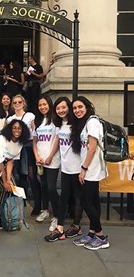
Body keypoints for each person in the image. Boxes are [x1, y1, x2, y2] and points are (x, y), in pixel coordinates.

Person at [71, 96, 110, 250]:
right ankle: (92, 233)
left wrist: (84, 169)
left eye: (80, 107)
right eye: (74, 108)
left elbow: (92, 148)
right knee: (93, 201)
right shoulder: (87, 122)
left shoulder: (92, 122)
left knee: (86, 202)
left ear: (87, 107)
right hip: (90, 168)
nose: (77, 110)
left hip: (91, 169)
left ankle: (101, 236)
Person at [44, 97, 82, 242]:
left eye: (64, 107)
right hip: (65, 167)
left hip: (78, 168)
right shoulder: (59, 124)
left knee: (78, 198)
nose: (61, 110)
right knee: (64, 197)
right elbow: (58, 140)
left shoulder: (77, 123)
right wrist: (50, 156)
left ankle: (76, 226)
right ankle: (60, 228)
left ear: (69, 107)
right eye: (58, 108)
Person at [0, 119, 30, 228]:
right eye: (14, 128)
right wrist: (5, 182)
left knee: (12, 187)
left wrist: (8, 180)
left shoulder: (20, 143)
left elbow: (10, 161)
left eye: (19, 128)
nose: (17, 130)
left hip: (5, 166)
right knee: (4, 188)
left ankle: (9, 216)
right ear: (10, 129)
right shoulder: (2, 139)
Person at [33, 95, 60, 232]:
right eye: (40, 105)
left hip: (52, 160)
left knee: (51, 188)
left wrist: (50, 156)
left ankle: (57, 216)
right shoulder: (37, 121)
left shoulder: (55, 120)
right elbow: (35, 141)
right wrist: (37, 156)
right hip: (40, 160)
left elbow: (57, 140)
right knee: (43, 186)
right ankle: (45, 210)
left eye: (44, 104)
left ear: (49, 104)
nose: (42, 107)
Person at [6, 95, 37, 210]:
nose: (17, 104)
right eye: (15, 102)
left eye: (19, 102)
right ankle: (16, 199)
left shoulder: (29, 116)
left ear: (23, 103)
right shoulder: (10, 119)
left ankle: (25, 199)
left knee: (26, 174)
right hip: (14, 147)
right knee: (15, 173)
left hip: (27, 147)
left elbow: (34, 132)